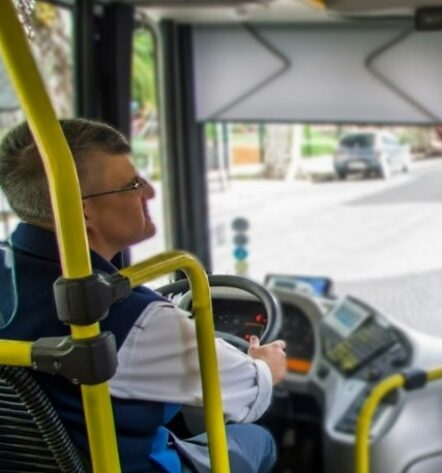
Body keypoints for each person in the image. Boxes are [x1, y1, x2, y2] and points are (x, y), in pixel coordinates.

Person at [0, 118, 287, 473]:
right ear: (83, 210)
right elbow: (250, 393)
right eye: (133, 184)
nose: (149, 192)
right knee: (257, 439)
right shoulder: (131, 320)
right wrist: (265, 363)